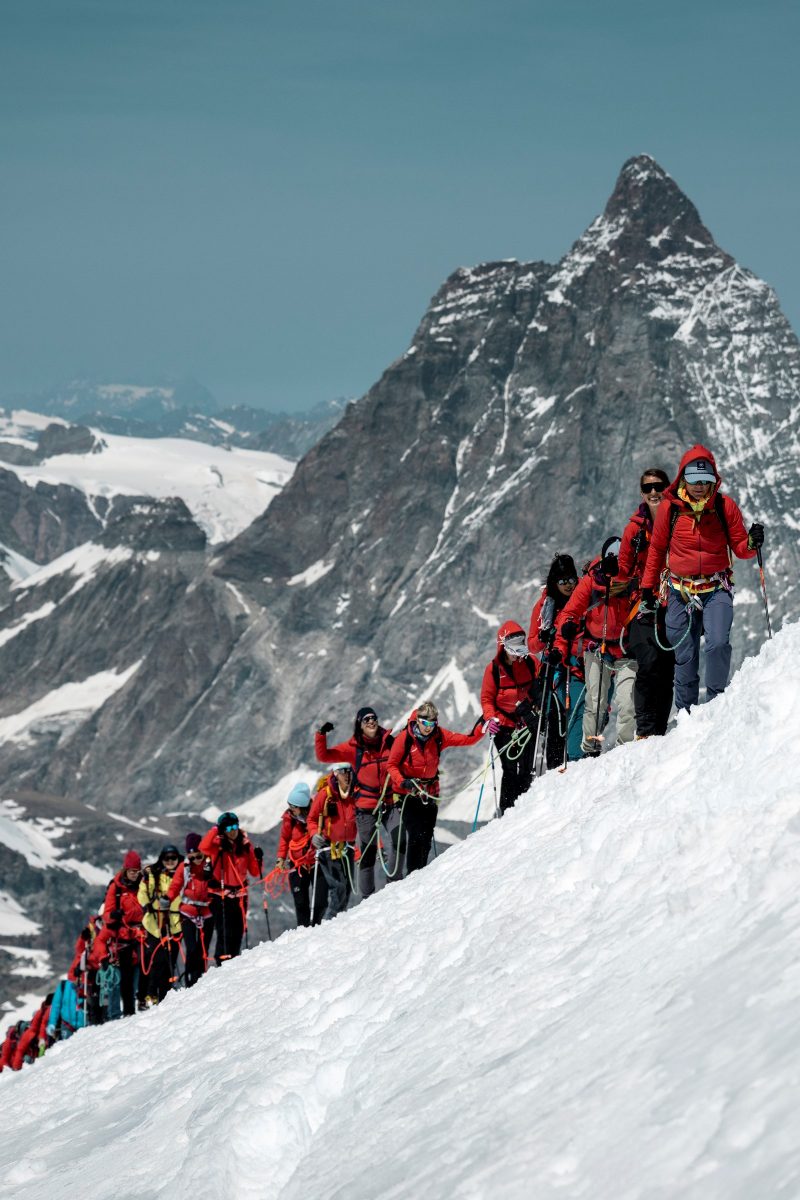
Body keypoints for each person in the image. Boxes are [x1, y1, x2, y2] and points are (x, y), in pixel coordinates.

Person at [640, 445, 761, 712]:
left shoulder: (723, 506)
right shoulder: (669, 510)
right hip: (679, 590)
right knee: (685, 654)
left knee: (718, 643)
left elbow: (740, 547)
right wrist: (647, 589)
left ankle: (716, 706)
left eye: (704, 482)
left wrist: (752, 543)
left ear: (712, 481)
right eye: (694, 481)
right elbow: (657, 550)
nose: (699, 487)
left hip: (716, 586)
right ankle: (687, 714)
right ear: (683, 478)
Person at [552, 538, 637, 755]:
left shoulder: (634, 577)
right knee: (596, 703)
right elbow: (569, 612)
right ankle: (590, 748)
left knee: (626, 701)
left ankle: (624, 749)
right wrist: (567, 625)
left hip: (626, 649)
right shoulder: (591, 581)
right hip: (597, 649)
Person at [387, 701, 484, 872]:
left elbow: (467, 740)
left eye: (432, 723)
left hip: (430, 793)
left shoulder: (439, 736)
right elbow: (392, 765)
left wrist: (484, 723)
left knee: (426, 835)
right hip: (407, 794)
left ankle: (421, 873)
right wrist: (403, 781)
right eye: (425, 723)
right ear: (417, 720)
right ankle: (412, 876)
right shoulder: (405, 738)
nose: (428, 728)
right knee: (416, 835)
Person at [315, 706, 399, 896]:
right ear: (360, 725)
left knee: (399, 837)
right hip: (366, 807)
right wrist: (321, 735)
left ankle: (396, 882)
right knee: (368, 854)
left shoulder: (389, 742)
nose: (371, 721)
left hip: (388, 802)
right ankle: (368, 897)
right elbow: (324, 756)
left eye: (373, 718)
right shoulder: (353, 748)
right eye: (366, 719)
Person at [619, 468, 675, 737]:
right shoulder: (634, 529)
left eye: (658, 486)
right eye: (648, 487)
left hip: (672, 602)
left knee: (666, 667)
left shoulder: (679, 520)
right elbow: (622, 570)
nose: (654, 492)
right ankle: (645, 727)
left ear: (667, 488)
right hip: (641, 605)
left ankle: (659, 729)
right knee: (649, 662)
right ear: (642, 492)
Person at [528, 554, 585, 768]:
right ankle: (556, 767)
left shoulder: (583, 597)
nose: (569, 585)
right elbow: (532, 645)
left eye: (571, 579)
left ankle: (579, 758)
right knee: (556, 718)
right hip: (554, 667)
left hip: (579, 663)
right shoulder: (544, 606)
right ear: (554, 582)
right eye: (563, 582)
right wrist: (543, 639)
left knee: (578, 711)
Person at [480, 621, 541, 812]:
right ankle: (507, 810)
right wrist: (490, 718)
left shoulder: (531, 663)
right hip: (504, 725)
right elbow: (487, 698)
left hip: (527, 722)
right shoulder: (493, 670)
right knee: (509, 768)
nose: (517, 656)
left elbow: (541, 687)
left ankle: (523, 809)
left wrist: (535, 708)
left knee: (526, 768)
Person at [199, 813, 263, 964]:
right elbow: (203, 847)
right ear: (222, 829)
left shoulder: (245, 845)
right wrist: (216, 829)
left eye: (235, 826)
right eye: (228, 828)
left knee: (238, 931)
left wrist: (258, 858)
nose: (233, 830)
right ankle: (222, 962)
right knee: (224, 932)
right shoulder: (217, 845)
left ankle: (233, 962)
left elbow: (254, 871)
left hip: (240, 896)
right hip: (219, 896)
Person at [89, 850, 144, 1017]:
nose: (134, 875)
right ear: (125, 870)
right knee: (126, 978)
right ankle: (127, 1013)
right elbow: (108, 914)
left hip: (141, 933)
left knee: (143, 972)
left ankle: (142, 1002)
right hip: (124, 937)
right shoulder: (116, 887)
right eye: (132, 871)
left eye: (137, 871)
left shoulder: (143, 885)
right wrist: (114, 916)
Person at [307, 766, 358, 920]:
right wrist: (314, 834)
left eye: (349, 771)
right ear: (336, 773)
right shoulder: (325, 794)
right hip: (328, 848)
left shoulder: (355, 793)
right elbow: (312, 819)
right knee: (338, 887)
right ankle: (330, 923)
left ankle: (337, 922)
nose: (347, 775)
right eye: (343, 772)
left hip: (347, 848)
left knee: (347, 888)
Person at [276, 781, 327, 927]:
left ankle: (318, 926)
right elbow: (285, 838)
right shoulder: (289, 819)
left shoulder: (317, 814)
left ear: (303, 807)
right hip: (297, 865)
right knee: (301, 902)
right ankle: (303, 930)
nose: (290, 810)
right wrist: (281, 858)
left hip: (317, 863)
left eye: (293, 807)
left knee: (321, 900)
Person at [137, 845, 183, 1006]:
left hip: (176, 923)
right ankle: (152, 993)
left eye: (173, 858)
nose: (170, 862)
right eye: (167, 859)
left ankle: (165, 995)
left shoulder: (183, 873)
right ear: (162, 860)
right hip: (155, 923)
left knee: (171, 959)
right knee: (159, 959)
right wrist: (146, 905)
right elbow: (143, 892)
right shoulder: (154, 875)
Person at [167, 834, 214, 988]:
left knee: (203, 948)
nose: (196, 860)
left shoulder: (210, 863)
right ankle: (190, 981)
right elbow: (176, 885)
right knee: (192, 948)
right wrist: (167, 898)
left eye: (198, 856)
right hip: (187, 911)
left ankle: (200, 977)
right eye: (192, 857)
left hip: (206, 911)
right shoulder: (185, 867)